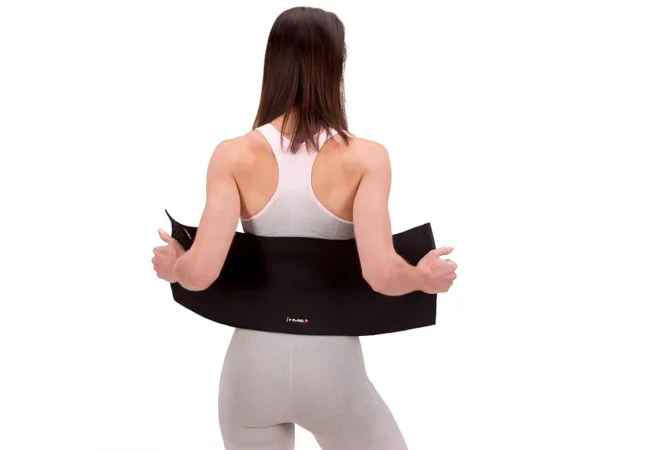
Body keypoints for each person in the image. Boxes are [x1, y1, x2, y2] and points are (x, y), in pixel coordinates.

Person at [152, 6, 457, 449]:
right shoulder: (366, 158)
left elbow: (199, 274)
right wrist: (422, 277)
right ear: (336, 66)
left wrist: (174, 267)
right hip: (331, 369)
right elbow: (381, 273)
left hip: (250, 371)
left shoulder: (232, 155)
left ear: (273, 63)